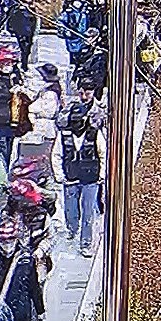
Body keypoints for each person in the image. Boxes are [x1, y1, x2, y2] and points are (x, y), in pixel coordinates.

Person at [52, 105, 106, 256]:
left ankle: (86, 243)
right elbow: (56, 155)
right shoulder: (63, 135)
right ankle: (72, 228)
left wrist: (102, 174)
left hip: (90, 179)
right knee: (71, 210)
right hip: (70, 178)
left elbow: (103, 154)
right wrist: (59, 175)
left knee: (88, 211)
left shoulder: (95, 134)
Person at [5, 0, 38, 70]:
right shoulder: (16, 8)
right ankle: (21, 66)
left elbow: (34, 22)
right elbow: (11, 20)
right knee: (20, 49)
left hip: (28, 33)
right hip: (20, 32)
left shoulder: (32, 9)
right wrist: (12, 30)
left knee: (27, 50)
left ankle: (24, 65)